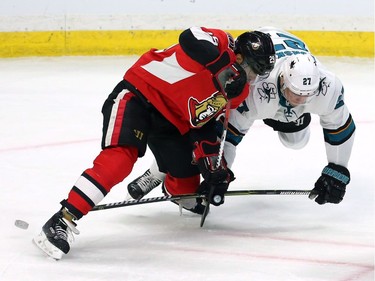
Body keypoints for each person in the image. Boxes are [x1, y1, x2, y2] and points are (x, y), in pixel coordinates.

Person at [33, 26, 259, 260]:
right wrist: (223, 67)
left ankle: (170, 185)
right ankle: (63, 218)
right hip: (138, 96)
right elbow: (189, 37)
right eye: (252, 70)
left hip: (172, 124)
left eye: (259, 74)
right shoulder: (220, 42)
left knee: (186, 190)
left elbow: (205, 126)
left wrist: (215, 168)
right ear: (239, 57)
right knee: (120, 158)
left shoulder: (237, 93)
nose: (252, 79)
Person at [128, 27, 355, 207]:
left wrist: (338, 170)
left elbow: (340, 126)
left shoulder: (327, 86)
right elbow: (229, 136)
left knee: (296, 142)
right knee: (201, 126)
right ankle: (157, 170)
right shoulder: (256, 88)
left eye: (306, 96)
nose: (298, 100)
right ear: (283, 80)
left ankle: (290, 121)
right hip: (265, 89)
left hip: (281, 94)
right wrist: (219, 172)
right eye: (294, 94)